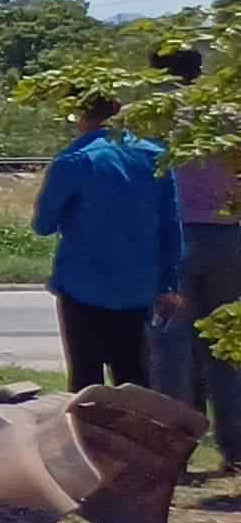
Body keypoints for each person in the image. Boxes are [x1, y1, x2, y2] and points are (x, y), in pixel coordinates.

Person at [31, 90, 185, 391]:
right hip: (138, 285)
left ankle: (87, 437)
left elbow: (43, 224)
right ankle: (136, 435)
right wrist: (169, 285)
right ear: (118, 112)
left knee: (85, 377)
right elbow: (172, 226)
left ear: (81, 116)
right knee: (134, 374)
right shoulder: (155, 155)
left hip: (82, 283)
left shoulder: (74, 159)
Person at [148, 48, 239, 470]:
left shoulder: (152, 116)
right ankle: (235, 448)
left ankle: (174, 451)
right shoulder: (229, 113)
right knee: (226, 345)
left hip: (175, 238)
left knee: (172, 348)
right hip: (230, 234)